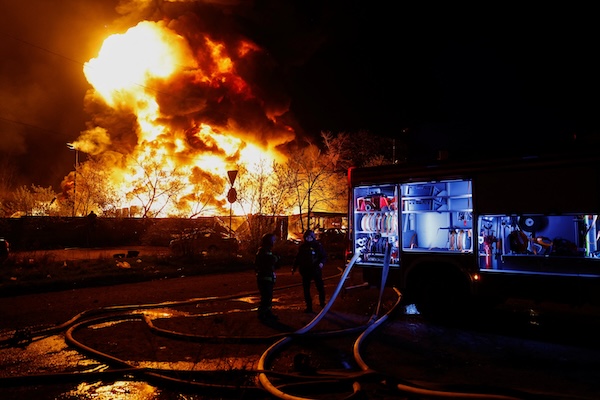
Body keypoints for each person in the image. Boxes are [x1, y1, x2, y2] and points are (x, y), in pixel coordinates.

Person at [292, 229, 327, 313]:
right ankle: (309, 307)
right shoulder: (303, 247)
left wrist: (321, 263)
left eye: (310, 237)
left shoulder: (317, 246)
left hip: (315, 270)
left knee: (320, 287)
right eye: (307, 237)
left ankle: (322, 303)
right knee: (306, 289)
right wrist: (294, 267)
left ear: (313, 237)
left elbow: (324, 256)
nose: (308, 239)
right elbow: (298, 258)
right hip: (305, 271)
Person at [254, 233, 280, 320]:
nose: (274, 242)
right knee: (266, 297)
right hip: (265, 278)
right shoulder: (263, 252)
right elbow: (269, 262)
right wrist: (275, 258)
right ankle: (263, 313)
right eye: (273, 240)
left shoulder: (266, 251)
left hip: (267, 277)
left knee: (268, 297)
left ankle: (267, 312)